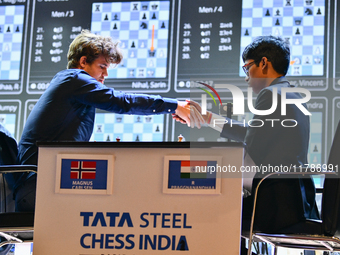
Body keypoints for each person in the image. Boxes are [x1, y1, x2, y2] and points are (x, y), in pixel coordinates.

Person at [12, 30, 204, 212]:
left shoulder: (72, 88)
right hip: (38, 186)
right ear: (83, 62)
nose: (106, 74)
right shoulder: (73, 79)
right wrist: (174, 105)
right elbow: (121, 102)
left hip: (46, 184)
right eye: (102, 66)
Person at [179, 36, 319, 234]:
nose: (246, 77)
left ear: (263, 63)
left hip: (275, 207)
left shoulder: (270, 94)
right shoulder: (291, 94)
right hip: (297, 204)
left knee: (202, 211)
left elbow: (251, 144)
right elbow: (253, 134)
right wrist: (208, 117)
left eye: (247, 68)